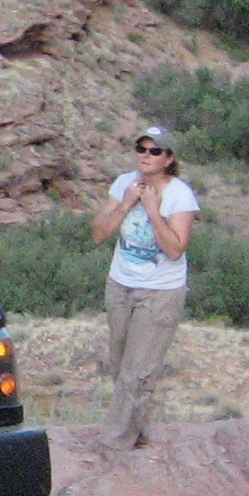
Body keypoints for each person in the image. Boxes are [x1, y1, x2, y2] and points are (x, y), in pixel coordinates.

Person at [88, 124, 199, 449]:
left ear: (168, 159)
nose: (146, 156)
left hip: (160, 292)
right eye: (141, 149)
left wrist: (152, 209)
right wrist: (126, 203)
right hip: (120, 285)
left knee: (139, 369)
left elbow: (175, 249)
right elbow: (99, 233)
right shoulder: (124, 183)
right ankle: (138, 429)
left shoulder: (180, 195)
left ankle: (114, 442)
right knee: (120, 361)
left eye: (154, 151)